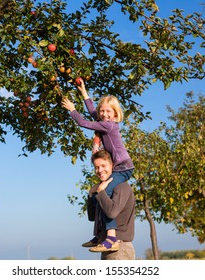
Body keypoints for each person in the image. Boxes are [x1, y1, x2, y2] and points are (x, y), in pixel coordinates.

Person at [61, 79, 134, 252]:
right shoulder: (104, 122)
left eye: (108, 111)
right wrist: (84, 93)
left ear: (115, 114)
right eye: (102, 111)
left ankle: (111, 238)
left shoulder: (109, 126)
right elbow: (93, 113)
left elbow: (84, 123)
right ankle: (100, 234)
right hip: (118, 167)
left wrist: (73, 110)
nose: (104, 113)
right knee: (95, 193)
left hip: (123, 167)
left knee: (104, 192)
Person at [86, 150, 136, 260]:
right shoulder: (103, 190)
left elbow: (111, 213)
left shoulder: (121, 186)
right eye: (96, 167)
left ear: (112, 165)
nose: (100, 170)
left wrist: (101, 193)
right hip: (106, 246)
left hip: (120, 248)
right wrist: (91, 194)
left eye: (103, 166)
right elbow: (91, 217)